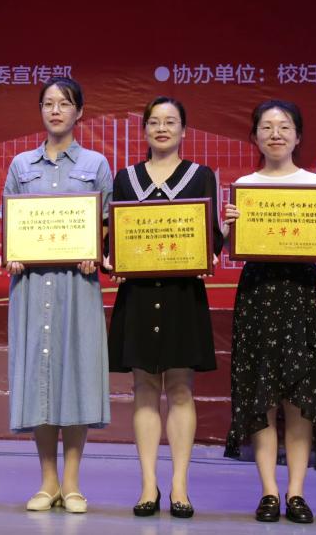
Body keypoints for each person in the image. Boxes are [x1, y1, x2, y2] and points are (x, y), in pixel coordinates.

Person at [221, 99, 316, 524]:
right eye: (267, 127)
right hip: (258, 293)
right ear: (255, 136)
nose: (276, 134)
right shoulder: (245, 186)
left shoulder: (314, 185)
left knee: (299, 397)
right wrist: (228, 227)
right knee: (262, 394)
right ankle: (269, 492)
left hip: (300, 293)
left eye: (284, 126)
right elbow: (230, 247)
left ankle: (296, 492)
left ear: (297, 136)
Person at [106, 96, 224, 519]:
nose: (161, 128)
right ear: (144, 130)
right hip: (138, 295)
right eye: (154, 122)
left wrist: (215, 246)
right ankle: (147, 484)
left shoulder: (201, 176)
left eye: (170, 122)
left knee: (180, 388)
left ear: (183, 131)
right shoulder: (126, 179)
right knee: (143, 388)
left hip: (181, 295)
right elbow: (114, 237)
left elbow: (212, 236)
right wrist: (113, 258)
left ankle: (179, 486)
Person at [3, 77, 112, 514]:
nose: (55, 111)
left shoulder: (96, 164)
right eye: (48, 103)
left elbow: (106, 224)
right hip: (31, 287)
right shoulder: (21, 165)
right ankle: (47, 481)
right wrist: (14, 254)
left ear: (79, 112)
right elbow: (13, 224)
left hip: (77, 285)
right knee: (40, 378)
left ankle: (73, 482)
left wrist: (95, 250)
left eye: (64, 104)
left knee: (76, 375)